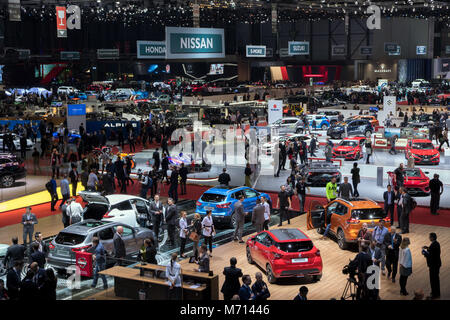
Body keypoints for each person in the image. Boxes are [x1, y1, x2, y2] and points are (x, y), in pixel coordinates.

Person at [422, 232, 441, 299]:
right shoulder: (436, 243)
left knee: (433, 280)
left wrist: (424, 253)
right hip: (437, 264)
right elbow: (432, 250)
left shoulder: (433, 245)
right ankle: (437, 292)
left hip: (433, 265)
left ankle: (434, 294)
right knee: (436, 279)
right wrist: (427, 247)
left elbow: (431, 255)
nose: (429, 238)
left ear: (432, 238)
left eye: (429, 237)